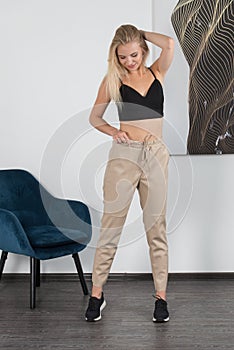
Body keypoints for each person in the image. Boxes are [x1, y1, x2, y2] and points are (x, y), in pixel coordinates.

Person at [85, 24, 174, 323]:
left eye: (134, 54)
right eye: (122, 57)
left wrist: (140, 33)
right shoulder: (113, 79)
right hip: (125, 156)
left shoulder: (156, 72)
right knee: (111, 225)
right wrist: (113, 131)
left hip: (156, 155)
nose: (129, 61)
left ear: (143, 50)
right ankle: (97, 294)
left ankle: (161, 298)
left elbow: (170, 44)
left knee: (156, 228)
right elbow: (94, 117)